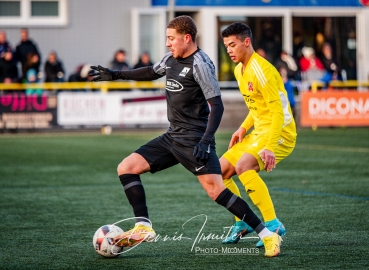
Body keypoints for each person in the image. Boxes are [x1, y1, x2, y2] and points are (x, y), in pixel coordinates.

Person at [90, 15, 282, 257]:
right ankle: (143, 226)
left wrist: (205, 140)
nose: (168, 44)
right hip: (172, 137)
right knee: (126, 167)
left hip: (194, 140)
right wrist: (116, 75)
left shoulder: (201, 64)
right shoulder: (171, 59)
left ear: (187, 38)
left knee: (217, 192)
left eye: (171, 39)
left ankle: (268, 235)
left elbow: (217, 105)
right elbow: (151, 71)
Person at [219, 22, 297, 248]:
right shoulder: (238, 70)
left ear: (246, 42)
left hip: (280, 133)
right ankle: (241, 221)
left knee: (243, 167)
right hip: (259, 131)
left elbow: (276, 114)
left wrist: (270, 146)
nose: (230, 50)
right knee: (221, 171)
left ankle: (272, 224)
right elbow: (257, 108)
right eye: (226, 46)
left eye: (233, 45)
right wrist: (243, 128)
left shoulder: (262, 70)